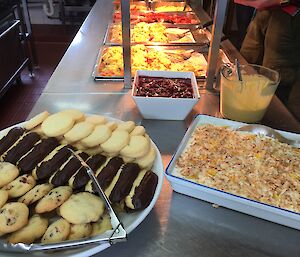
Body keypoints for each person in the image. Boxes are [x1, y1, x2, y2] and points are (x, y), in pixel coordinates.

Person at [234, 0, 300, 119]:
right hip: (266, 9)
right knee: (247, 58)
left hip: (292, 12)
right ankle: (240, 105)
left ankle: (270, 120)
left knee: (275, 71)